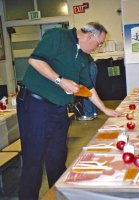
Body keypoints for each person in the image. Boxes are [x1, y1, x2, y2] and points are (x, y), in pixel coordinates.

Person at [16, 22, 121, 200]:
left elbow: (88, 87)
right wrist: (60, 80)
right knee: (33, 161)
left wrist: (104, 109)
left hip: (58, 109)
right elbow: (35, 60)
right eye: (99, 43)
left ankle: (57, 197)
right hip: (35, 106)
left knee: (57, 159)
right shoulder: (58, 36)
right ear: (89, 36)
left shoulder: (84, 57)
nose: (99, 47)